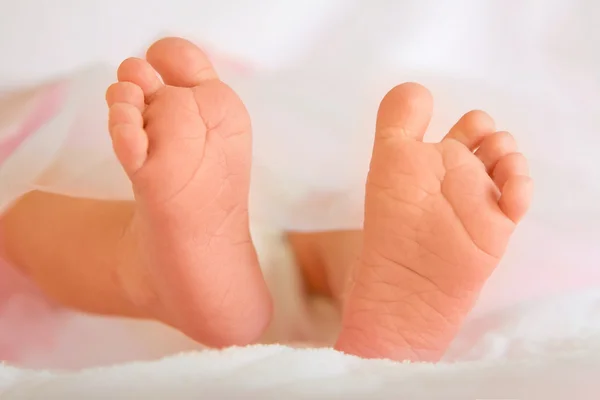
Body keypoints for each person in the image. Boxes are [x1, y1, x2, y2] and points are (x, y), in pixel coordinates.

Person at [0, 37, 532, 362]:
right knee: (311, 241)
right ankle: (358, 284)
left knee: (18, 221)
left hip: (86, 152)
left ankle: (143, 268)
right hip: (275, 167)